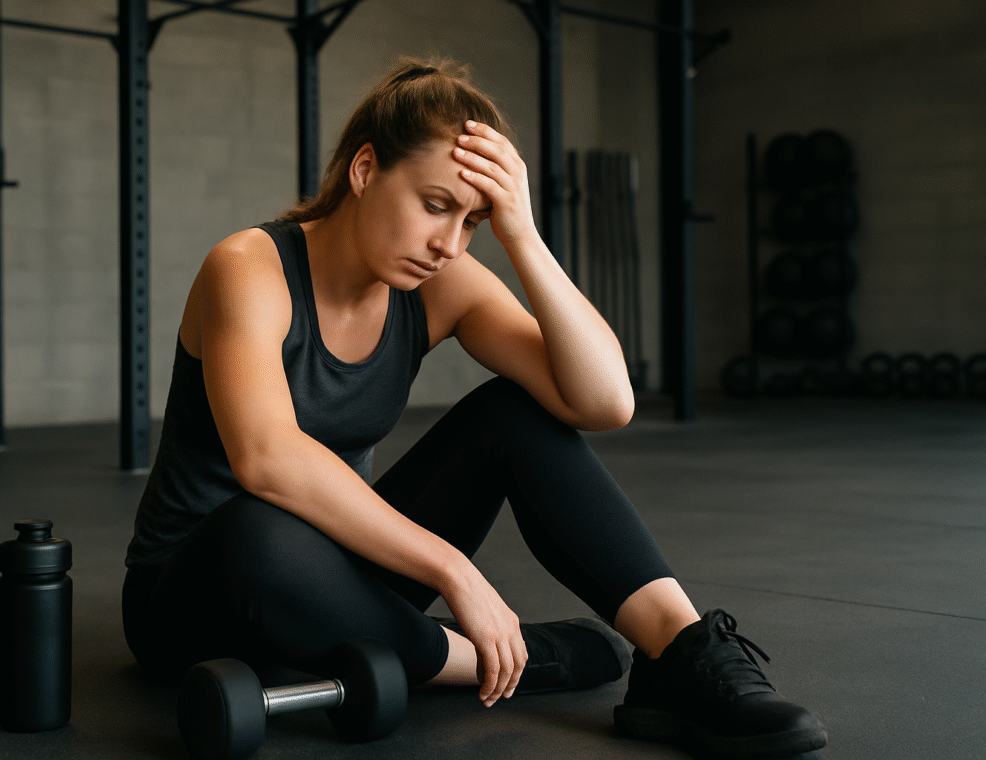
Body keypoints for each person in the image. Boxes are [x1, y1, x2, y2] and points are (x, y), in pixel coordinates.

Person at [122, 58, 827, 759]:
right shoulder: (250, 266)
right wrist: (453, 572)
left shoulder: (441, 282)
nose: (448, 244)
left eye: (473, 221)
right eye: (435, 205)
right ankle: (490, 663)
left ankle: (681, 651)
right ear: (365, 170)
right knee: (258, 527)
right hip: (195, 596)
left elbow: (605, 401)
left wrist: (522, 235)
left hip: (334, 578)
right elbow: (266, 458)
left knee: (512, 415)